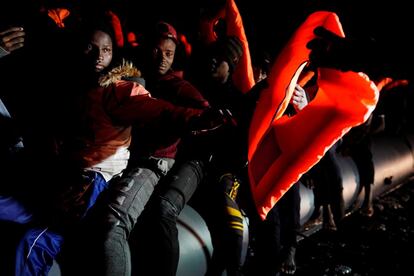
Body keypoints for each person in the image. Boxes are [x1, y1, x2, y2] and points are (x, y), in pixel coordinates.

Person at [14, 18, 216, 276]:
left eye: (168, 53)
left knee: (121, 223)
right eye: (91, 48)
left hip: (134, 166)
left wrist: (205, 119)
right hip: (75, 171)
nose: (161, 58)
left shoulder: (122, 88)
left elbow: (166, 111)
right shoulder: (80, 86)